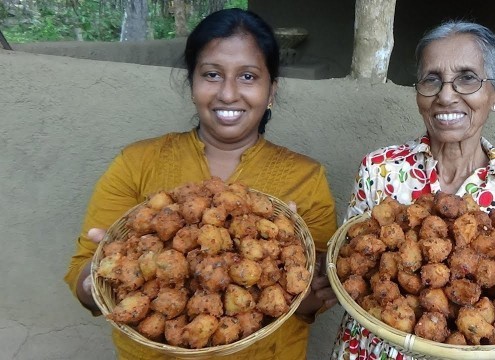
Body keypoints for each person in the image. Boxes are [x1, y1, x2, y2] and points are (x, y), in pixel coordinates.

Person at [64, 8, 338, 360]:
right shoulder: (136, 163)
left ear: (271, 91)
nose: (228, 93)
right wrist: (98, 276)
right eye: (211, 74)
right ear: (191, 83)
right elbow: (82, 273)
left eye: (248, 77)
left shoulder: (306, 176)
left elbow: (308, 305)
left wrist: (307, 281)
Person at [330, 21, 495, 359]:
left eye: (467, 78)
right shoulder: (380, 169)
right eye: (431, 79)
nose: (446, 95)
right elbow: (347, 260)